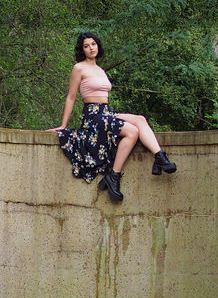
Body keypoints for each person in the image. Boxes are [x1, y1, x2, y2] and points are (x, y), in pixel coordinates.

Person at [48, 32, 176, 203]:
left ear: (98, 45)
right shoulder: (79, 68)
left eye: (93, 44)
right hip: (93, 115)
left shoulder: (100, 70)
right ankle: (114, 176)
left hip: (106, 112)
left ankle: (160, 157)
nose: (91, 48)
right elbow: (71, 97)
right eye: (86, 46)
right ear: (82, 50)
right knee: (132, 131)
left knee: (140, 119)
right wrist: (63, 125)